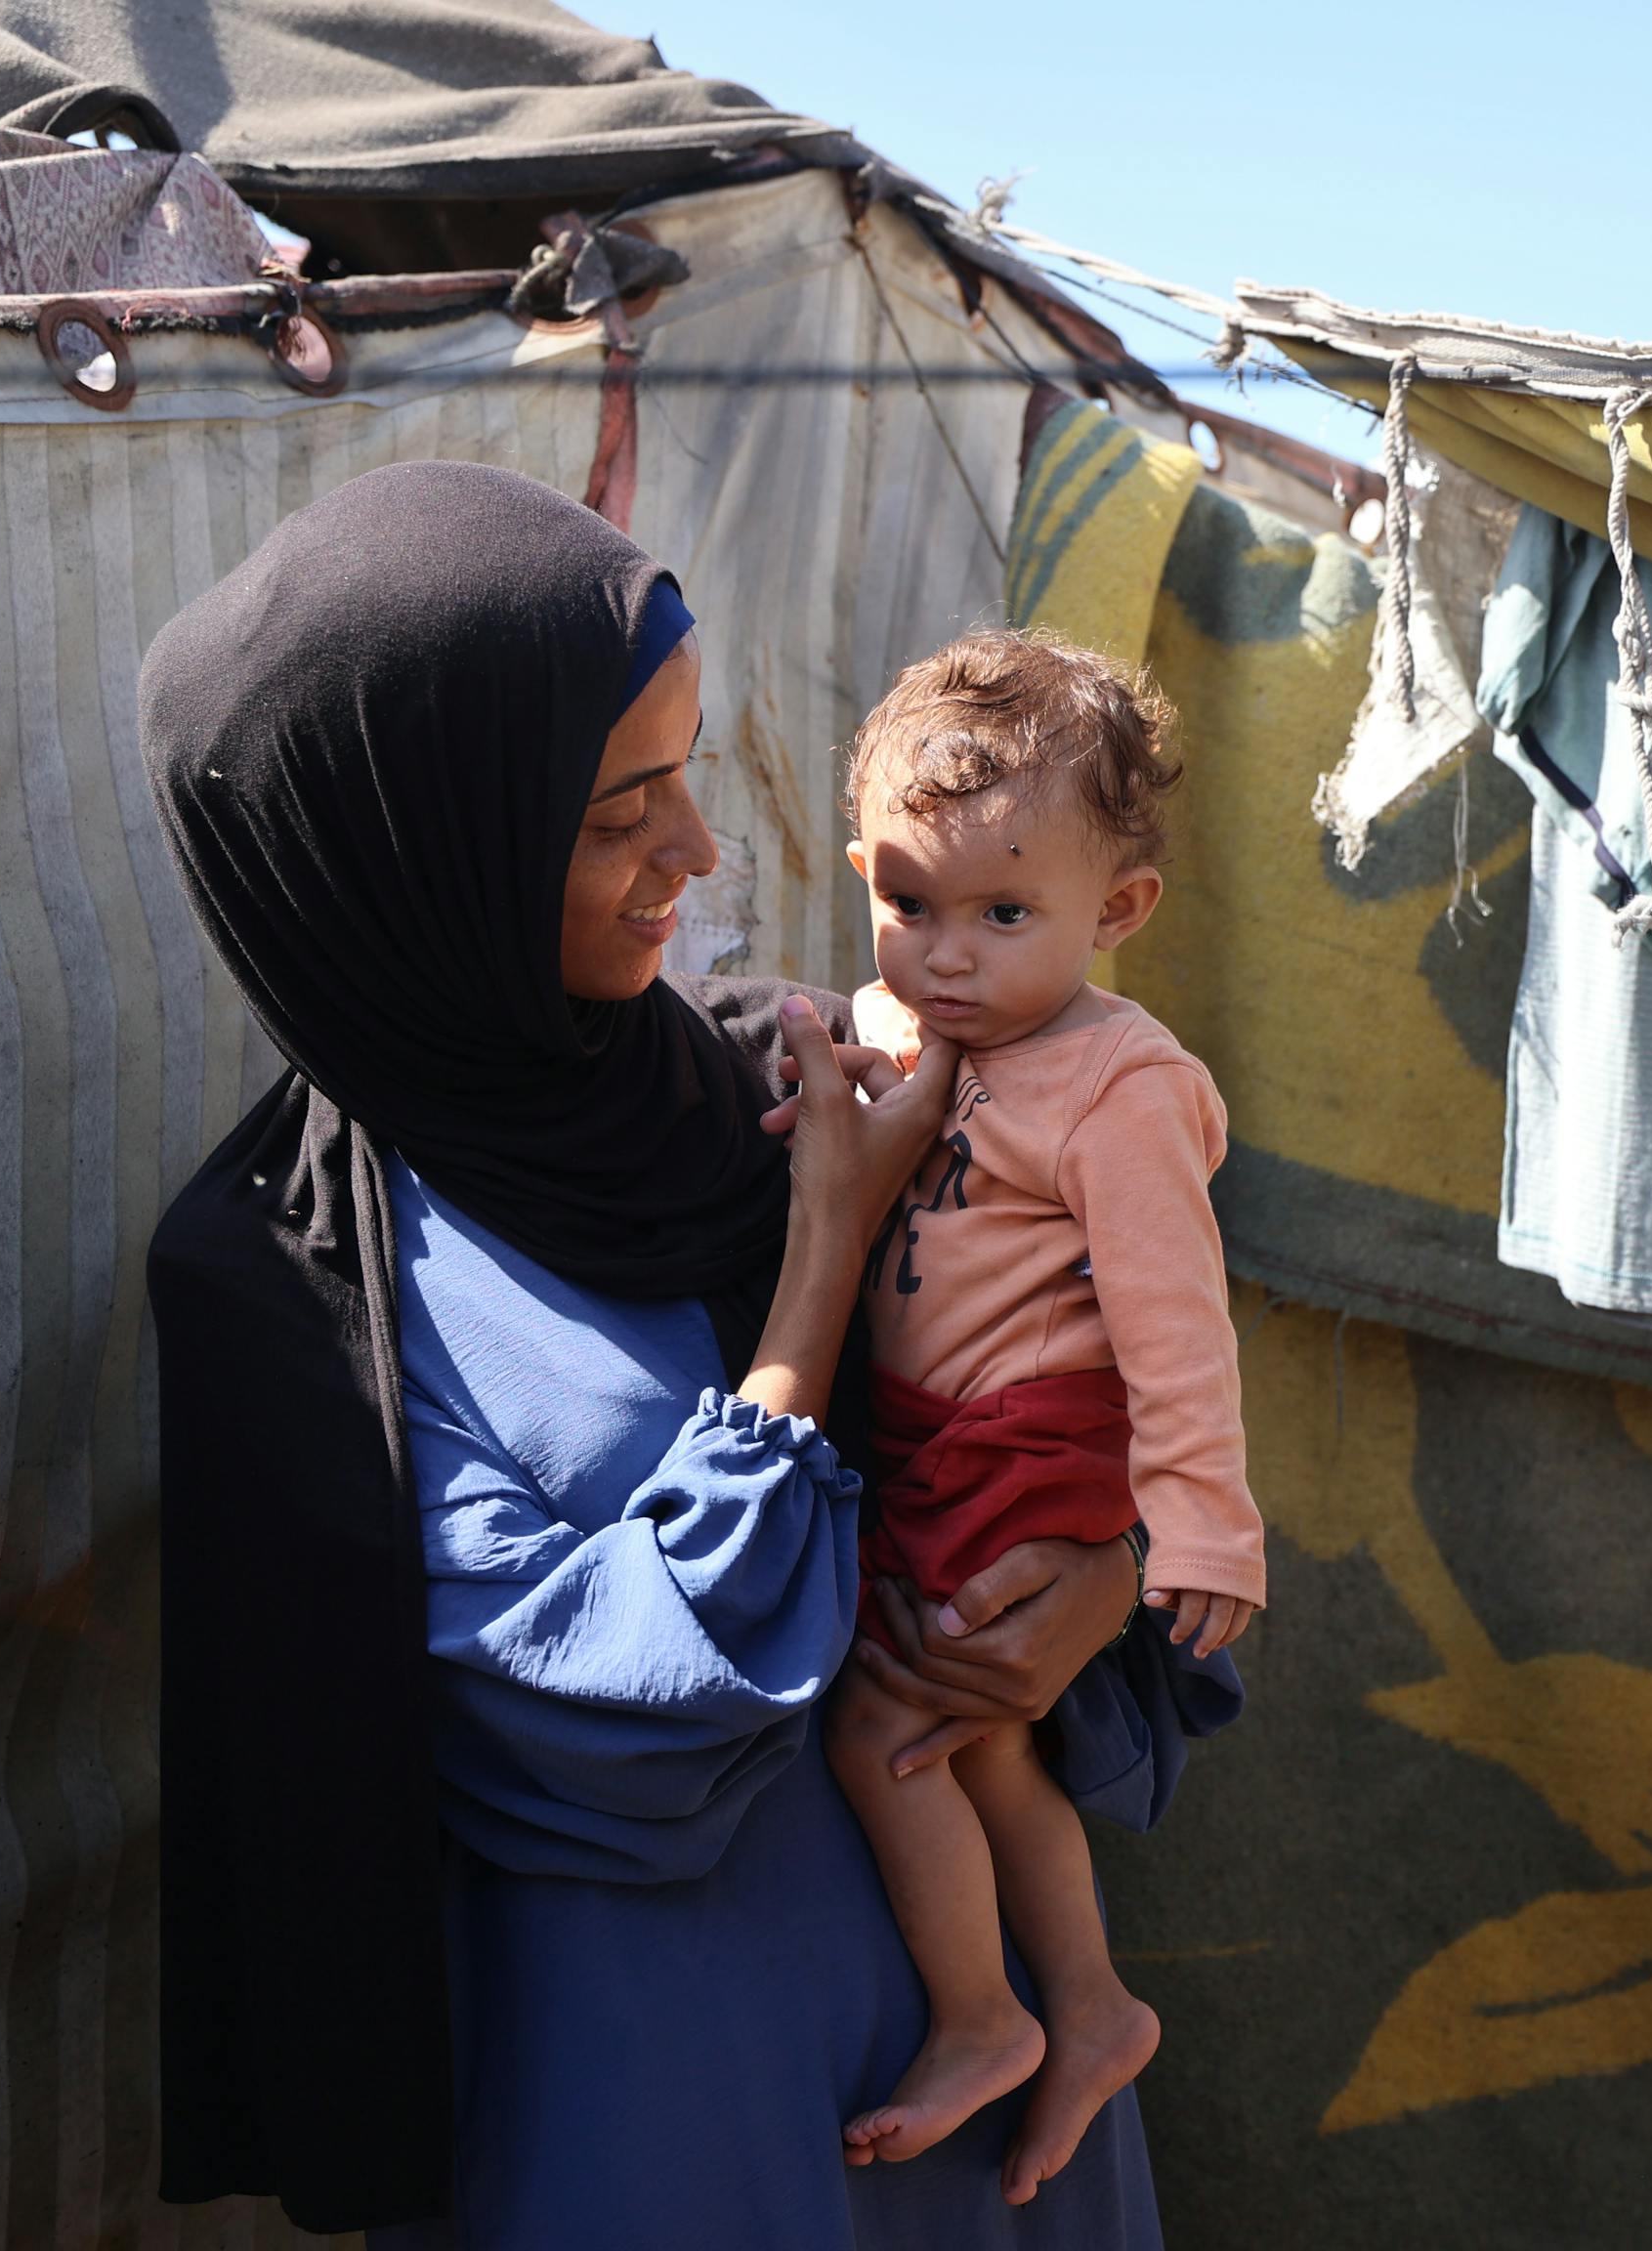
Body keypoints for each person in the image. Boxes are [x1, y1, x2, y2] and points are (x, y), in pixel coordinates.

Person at [140, 460, 1217, 2248]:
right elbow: (599, 1729)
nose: (701, 856)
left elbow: (1062, 1363)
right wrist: (819, 1271)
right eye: (614, 812)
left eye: (688, 773)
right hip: (653, 2087)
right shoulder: (294, 1281)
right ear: (419, 853)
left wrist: (1107, 1565)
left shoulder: (755, 1079)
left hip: (992, 2063)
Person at [826, 633, 1267, 2203]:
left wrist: (1203, 1526)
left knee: (889, 1728)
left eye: (1004, 914)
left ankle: (981, 2021)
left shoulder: (1114, 1081)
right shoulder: (898, 1034)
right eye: (907, 903)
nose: (946, 955)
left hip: (1027, 1443)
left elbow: (1175, 1327)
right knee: (982, 1742)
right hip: (932, 1441)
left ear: (1117, 914)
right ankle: (1090, 2008)